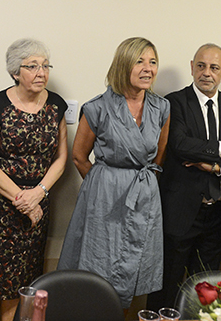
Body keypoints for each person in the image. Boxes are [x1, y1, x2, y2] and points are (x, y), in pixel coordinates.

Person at [0, 39, 68, 321]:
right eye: (32, 66)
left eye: (45, 66)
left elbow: (60, 159)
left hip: (37, 206)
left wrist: (38, 194)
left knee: (21, 280)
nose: (41, 72)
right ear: (15, 72)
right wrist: (24, 199)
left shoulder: (56, 105)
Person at [58, 37, 170, 310]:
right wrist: (105, 184)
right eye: (139, 61)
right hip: (105, 197)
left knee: (136, 262)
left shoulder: (161, 107)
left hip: (144, 194)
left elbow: (159, 155)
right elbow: (79, 156)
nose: (148, 68)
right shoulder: (97, 107)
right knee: (99, 262)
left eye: (153, 62)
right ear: (123, 65)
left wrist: (141, 184)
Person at [146, 43, 221, 310]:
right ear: (192, 68)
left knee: (205, 293)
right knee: (168, 286)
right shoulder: (174, 102)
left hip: (218, 215)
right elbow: (180, 144)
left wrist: (217, 168)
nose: (207, 73)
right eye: (201, 66)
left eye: (214, 68)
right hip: (181, 213)